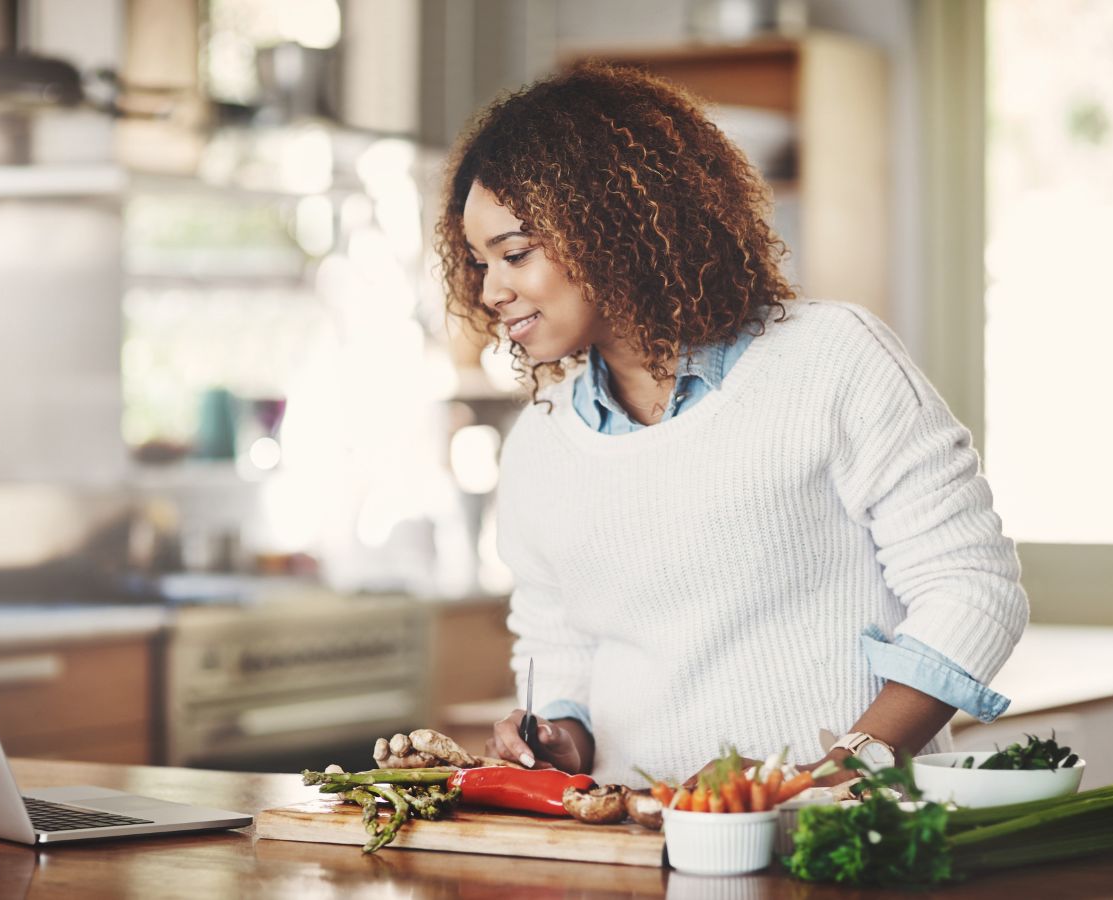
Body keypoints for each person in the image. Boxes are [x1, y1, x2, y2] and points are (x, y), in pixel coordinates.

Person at [433, 62, 1028, 788]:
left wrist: (841, 773)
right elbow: (558, 646)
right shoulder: (541, 442)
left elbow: (972, 587)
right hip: (639, 844)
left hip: (840, 844)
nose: (492, 290)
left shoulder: (831, 360)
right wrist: (561, 732)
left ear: (612, 222)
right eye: (478, 262)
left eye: (515, 253)